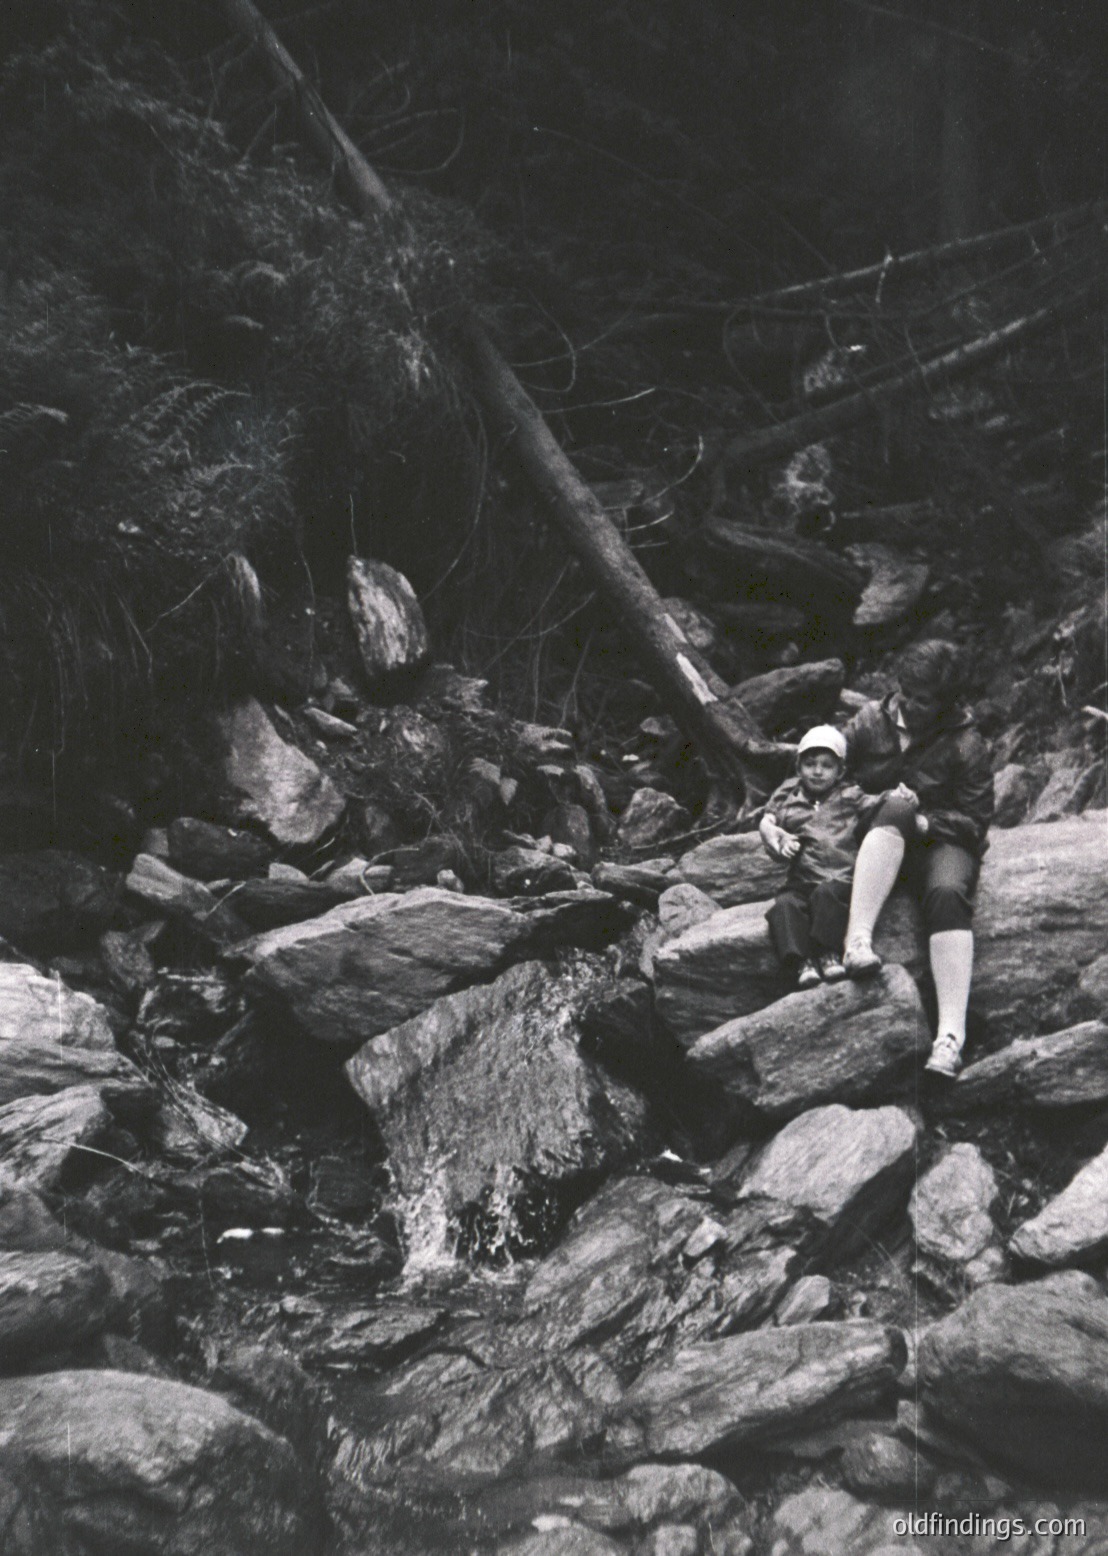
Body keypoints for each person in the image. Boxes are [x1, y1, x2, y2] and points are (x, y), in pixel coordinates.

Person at [841, 640, 995, 1078]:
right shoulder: (870, 720)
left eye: (923, 699)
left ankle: (949, 1039)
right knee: (897, 807)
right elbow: (830, 777)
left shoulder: (966, 742)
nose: (909, 703)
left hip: (940, 844)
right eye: (905, 690)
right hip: (879, 836)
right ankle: (857, 944)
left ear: (948, 703)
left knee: (947, 893)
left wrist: (927, 823)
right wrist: (875, 800)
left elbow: (975, 821)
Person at [759, 725, 882, 990]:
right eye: (810, 764)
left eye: (827, 766)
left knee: (827, 897)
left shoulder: (849, 795)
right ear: (798, 766)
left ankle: (828, 952)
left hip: (840, 875)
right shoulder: (789, 801)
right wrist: (783, 841)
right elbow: (772, 823)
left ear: (840, 772)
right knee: (784, 904)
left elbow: (875, 805)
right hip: (802, 876)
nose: (817, 771)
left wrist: (899, 798)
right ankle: (802, 961)